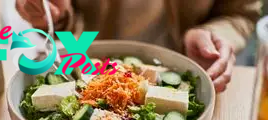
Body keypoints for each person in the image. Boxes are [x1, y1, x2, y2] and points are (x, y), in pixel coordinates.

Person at [15, 0, 262, 93]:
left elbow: (239, 14)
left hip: (188, 72)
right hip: (89, 67)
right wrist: (54, 14)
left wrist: (212, 34)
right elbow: (66, 18)